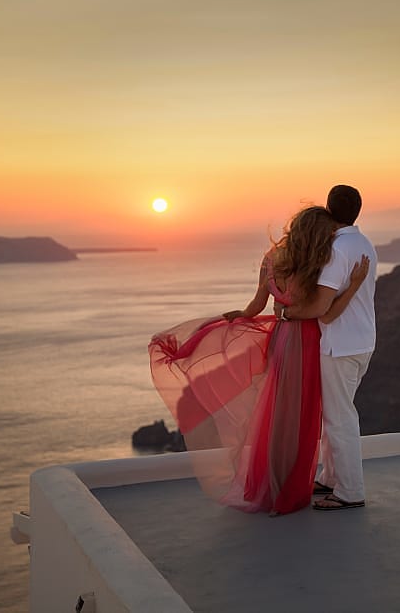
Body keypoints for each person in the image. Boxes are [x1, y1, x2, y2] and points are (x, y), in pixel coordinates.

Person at [148, 205, 369, 515]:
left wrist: (239, 318)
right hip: (308, 342)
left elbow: (254, 306)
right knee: (303, 416)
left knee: (278, 411)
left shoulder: (271, 260)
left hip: (281, 340)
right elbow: (324, 311)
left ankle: (270, 484)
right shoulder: (312, 267)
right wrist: (356, 284)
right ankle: (291, 486)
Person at [279, 185, 377, 511]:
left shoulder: (338, 249)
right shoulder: (363, 243)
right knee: (338, 413)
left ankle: (350, 492)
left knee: (339, 418)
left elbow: (321, 306)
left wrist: (287, 313)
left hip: (340, 344)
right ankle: (331, 478)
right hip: (362, 341)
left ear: (329, 209)